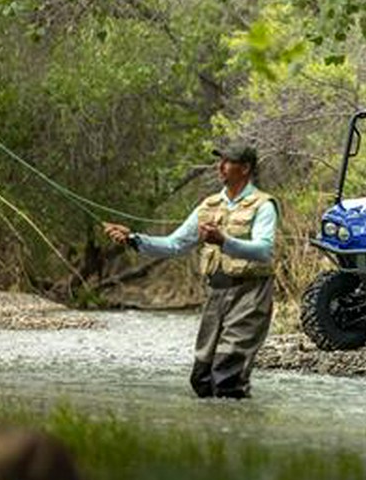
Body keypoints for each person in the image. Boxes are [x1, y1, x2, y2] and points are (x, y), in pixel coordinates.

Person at [103, 143, 278, 399]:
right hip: (216, 293)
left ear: (245, 168)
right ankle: (213, 434)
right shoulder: (208, 206)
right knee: (202, 379)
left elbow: (264, 250)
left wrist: (224, 241)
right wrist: (133, 239)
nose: (220, 167)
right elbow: (174, 245)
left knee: (227, 377)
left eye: (226, 162)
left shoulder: (264, 206)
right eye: (219, 161)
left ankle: (238, 434)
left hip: (250, 294)